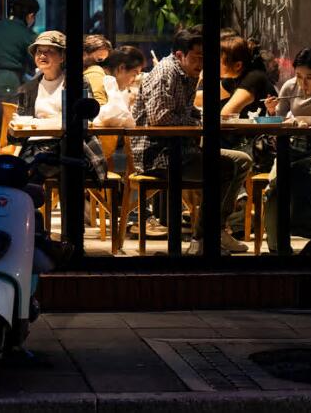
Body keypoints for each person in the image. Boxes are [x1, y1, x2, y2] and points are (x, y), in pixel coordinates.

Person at [130, 25, 253, 255]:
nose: (202, 63)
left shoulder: (186, 74)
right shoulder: (166, 73)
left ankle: (213, 232)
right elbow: (160, 118)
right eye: (197, 58)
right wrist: (198, 124)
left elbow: (189, 111)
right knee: (225, 167)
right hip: (159, 156)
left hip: (182, 152)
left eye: (205, 58)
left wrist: (206, 119)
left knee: (242, 160)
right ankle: (204, 237)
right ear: (180, 55)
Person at [14, 31, 107, 219]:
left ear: (62, 55)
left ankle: (69, 231)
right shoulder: (29, 88)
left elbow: (80, 122)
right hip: (36, 147)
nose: (42, 55)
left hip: (71, 145)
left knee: (64, 162)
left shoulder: (75, 82)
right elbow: (21, 125)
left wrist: (41, 123)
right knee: (20, 171)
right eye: (39, 51)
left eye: (49, 51)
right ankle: (27, 227)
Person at [262, 45, 311, 252]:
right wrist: (271, 112)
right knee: (274, 188)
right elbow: (277, 123)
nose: (303, 83)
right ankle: (277, 249)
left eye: (310, 77)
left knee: (305, 173)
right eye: (299, 76)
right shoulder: (289, 88)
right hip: (291, 146)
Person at [0, 0, 38, 155]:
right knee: (8, 132)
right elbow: (35, 59)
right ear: (30, 16)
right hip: (8, 83)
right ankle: (7, 170)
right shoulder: (26, 33)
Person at [220, 35, 277, 120]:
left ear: (238, 65)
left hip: (265, 132)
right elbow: (199, 100)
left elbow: (226, 115)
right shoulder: (232, 78)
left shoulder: (253, 78)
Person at [94, 46, 146, 128]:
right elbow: (98, 118)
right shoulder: (97, 78)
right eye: (134, 74)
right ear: (121, 68)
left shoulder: (111, 83)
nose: (134, 80)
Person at [83, 34, 113, 105]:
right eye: (99, 60)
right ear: (84, 54)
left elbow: (99, 103)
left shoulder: (95, 72)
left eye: (103, 61)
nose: (99, 65)